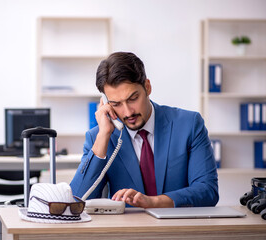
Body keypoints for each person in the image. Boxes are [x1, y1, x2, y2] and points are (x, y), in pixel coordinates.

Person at [70, 52, 219, 208]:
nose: (128, 112)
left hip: (178, 229)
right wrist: (104, 135)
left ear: (147, 87)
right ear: (106, 103)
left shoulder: (189, 124)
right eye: (116, 104)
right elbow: (76, 202)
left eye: (133, 98)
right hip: (128, 231)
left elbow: (208, 191)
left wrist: (153, 202)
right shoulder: (99, 137)